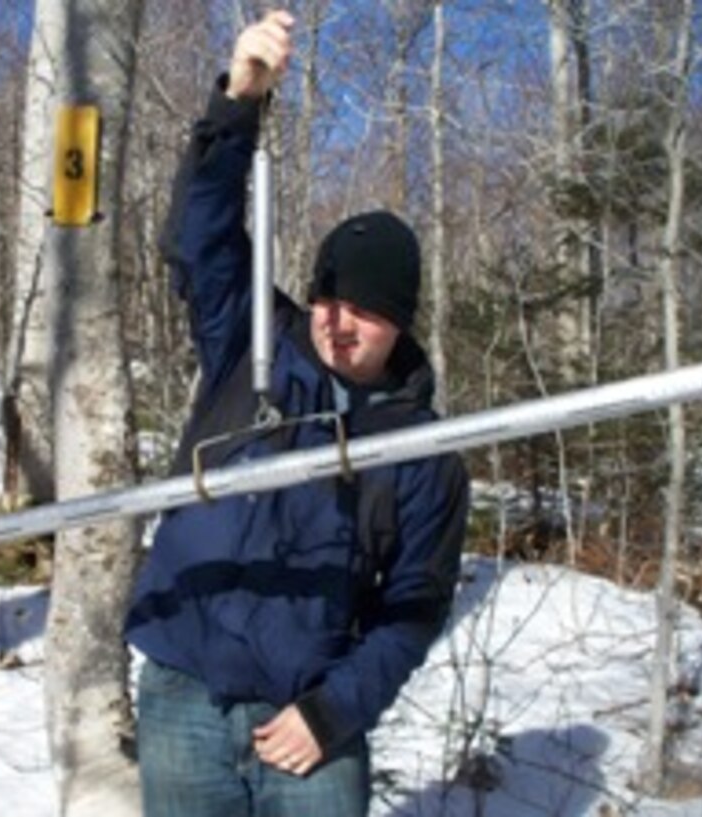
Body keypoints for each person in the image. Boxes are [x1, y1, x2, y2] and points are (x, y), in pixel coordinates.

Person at [124, 10, 469, 817]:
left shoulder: (428, 452)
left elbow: (413, 606)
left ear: (404, 322)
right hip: (183, 693)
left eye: (367, 311)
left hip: (310, 718)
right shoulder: (255, 343)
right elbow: (201, 234)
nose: (338, 322)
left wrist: (335, 711)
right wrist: (238, 103)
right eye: (329, 297)